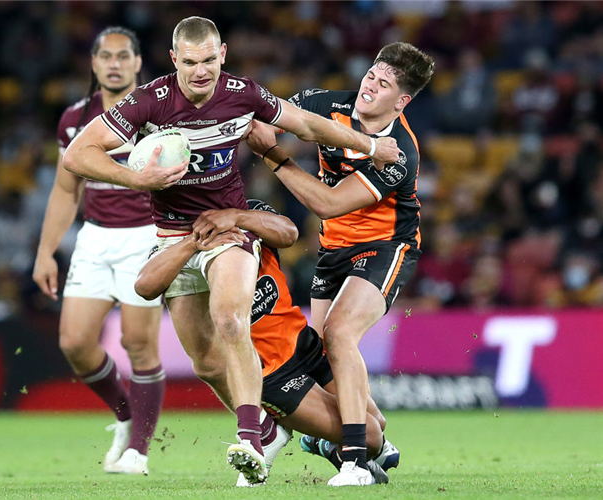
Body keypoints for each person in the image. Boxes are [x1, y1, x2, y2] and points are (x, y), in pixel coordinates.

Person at [63, 16, 400, 485]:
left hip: (227, 230)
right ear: (174, 60)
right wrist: (137, 178)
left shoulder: (242, 94)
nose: (201, 72)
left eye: (209, 61)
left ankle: (248, 441)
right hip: (174, 238)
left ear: (222, 55)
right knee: (204, 362)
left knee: (228, 318)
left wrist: (369, 145)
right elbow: (77, 155)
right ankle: (268, 430)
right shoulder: (150, 102)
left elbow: (304, 125)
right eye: (190, 63)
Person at [246, 42, 435, 486]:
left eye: (384, 84)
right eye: (371, 74)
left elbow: (329, 204)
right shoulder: (325, 103)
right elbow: (266, 120)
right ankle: (371, 441)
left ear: (401, 101)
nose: (370, 85)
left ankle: (353, 459)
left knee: (341, 332)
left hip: (386, 246)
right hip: (334, 249)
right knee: (322, 350)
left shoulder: (399, 152)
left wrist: (273, 157)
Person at [134, 200, 399, 486]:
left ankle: (318, 440)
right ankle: (290, 432)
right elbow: (145, 285)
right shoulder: (174, 238)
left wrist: (238, 217)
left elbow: (288, 233)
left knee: (379, 424)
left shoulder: (248, 211)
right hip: (272, 374)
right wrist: (193, 243)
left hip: (303, 343)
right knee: (370, 436)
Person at [32, 27, 164, 476]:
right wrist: (45, 252)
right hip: (94, 236)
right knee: (74, 343)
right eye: (105, 56)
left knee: (138, 343)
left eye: (123, 56)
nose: (114, 63)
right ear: (93, 63)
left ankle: (139, 454)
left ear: (138, 62)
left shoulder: (158, 115)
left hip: (146, 234)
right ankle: (127, 416)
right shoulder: (74, 119)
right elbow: (65, 191)